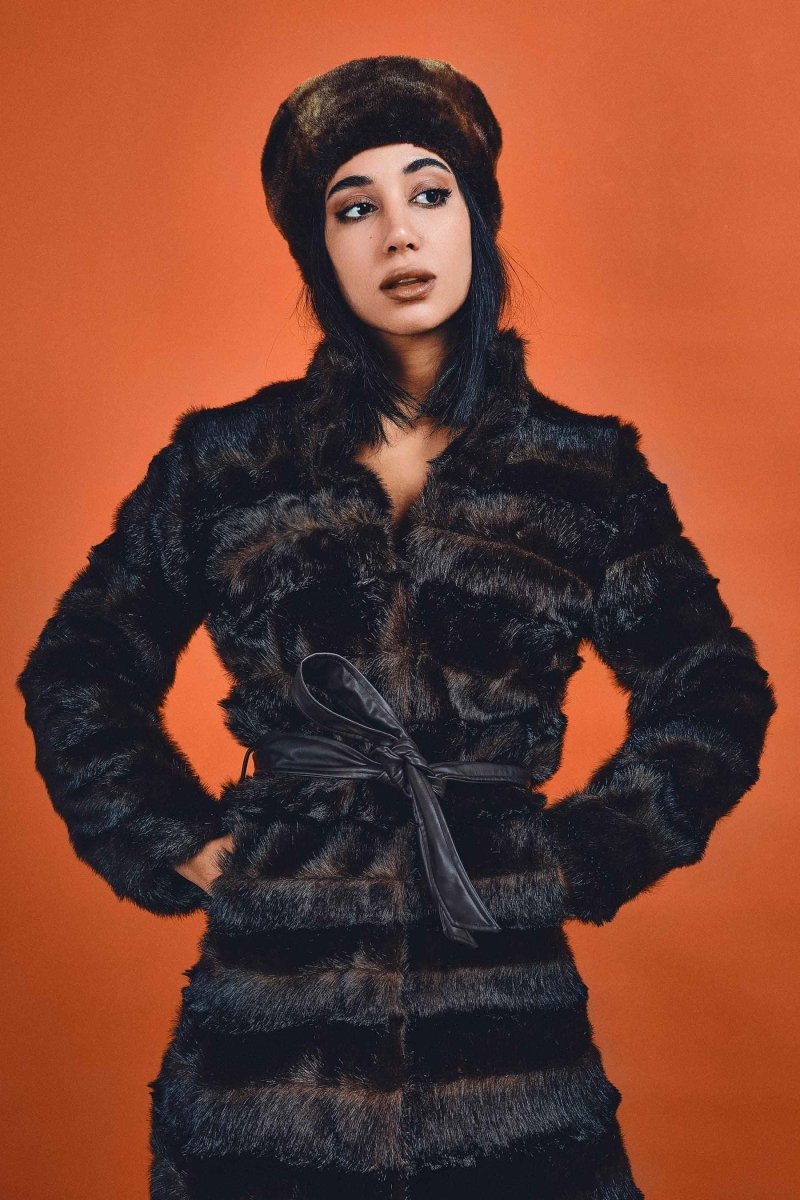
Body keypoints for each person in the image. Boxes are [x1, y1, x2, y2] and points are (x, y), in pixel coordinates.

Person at [16, 55, 777, 1199]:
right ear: (317, 250)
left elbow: (712, 690)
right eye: (353, 208)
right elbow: (79, 667)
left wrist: (576, 858)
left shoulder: (582, 470)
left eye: (428, 193)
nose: (398, 235)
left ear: (476, 217)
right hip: (269, 1054)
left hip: (510, 1042)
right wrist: (177, 836)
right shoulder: (229, 462)